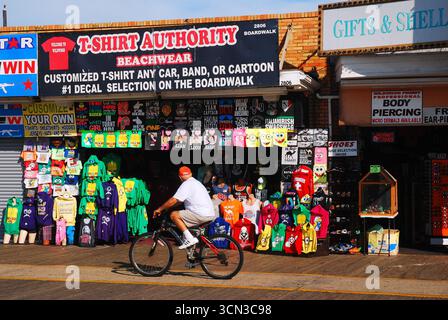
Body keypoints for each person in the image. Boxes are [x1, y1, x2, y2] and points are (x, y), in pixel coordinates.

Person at [154, 166, 216, 249]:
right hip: (209, 213)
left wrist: (159, 209)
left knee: (174, 215)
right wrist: (167, 208)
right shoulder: (196, 182)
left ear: (179, 177)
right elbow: (179, 201)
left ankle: (190, 239)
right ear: (190, 174)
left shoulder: (186, 184)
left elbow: (174, 199)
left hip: (200, 214)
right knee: (188, 227)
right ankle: (193, 256)